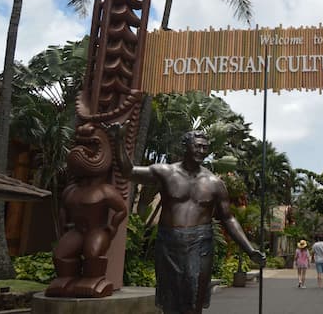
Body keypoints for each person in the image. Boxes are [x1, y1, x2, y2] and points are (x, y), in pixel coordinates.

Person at [112, 127, 265, 314]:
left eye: (205, 148)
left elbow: (228, 218)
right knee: (170, 303)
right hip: (169, 243)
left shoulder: (214, 183)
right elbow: (128, 171)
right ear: (186, 146)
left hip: (200, 243)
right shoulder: (165, 172)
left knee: (194, 301)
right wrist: (119, 139)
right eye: (198, 146)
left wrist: (250, 250)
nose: (202, 151)